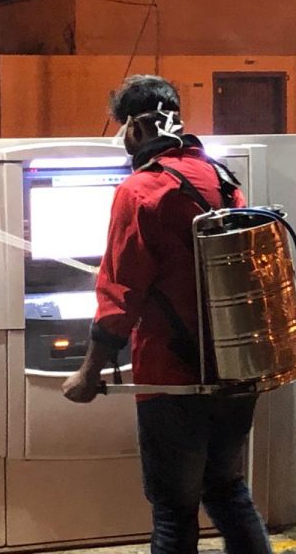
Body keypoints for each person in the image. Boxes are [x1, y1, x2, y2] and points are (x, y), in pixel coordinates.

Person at [62, 74, 272, 554]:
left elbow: (120, 291)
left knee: (174, 512)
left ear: (136, 127)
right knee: (227, 490)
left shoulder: (141, 190)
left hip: (172, 378)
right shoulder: (223, 181)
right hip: (234, 370)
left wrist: (89, 372)